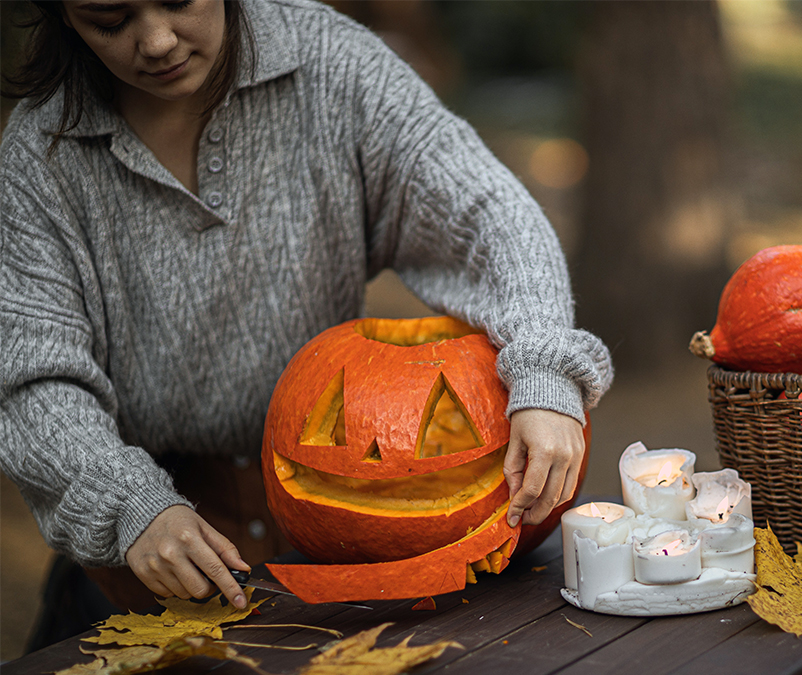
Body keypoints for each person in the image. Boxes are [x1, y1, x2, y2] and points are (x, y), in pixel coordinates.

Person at [0, 0, 612, 642]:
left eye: (179, 0)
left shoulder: (330, 63)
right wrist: (128, 505)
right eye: (109, 18)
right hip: (140, 560)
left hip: (340, 542)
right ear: (64, 15)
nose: (154, 40)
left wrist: (544, 366)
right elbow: (33, 378)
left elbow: (487, 211)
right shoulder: (42, 154)